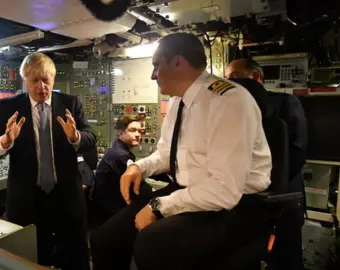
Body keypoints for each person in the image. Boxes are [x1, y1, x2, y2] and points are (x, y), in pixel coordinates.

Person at [90, 32, 272, 270]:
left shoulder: (228, 101)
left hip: (235, 205)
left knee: (152, 245)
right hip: (189, 191)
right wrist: (139, 167)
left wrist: (159, 207)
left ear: (178, 62)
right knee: (104, 239)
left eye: (156, 65)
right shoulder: (178, 101)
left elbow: (224, 191)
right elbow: (167, 154)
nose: (152, 75)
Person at [0, 52, 96, 269]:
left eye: (46, 80)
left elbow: (90, 139)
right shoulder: (9, 107)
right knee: (31, 258)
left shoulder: (70, 103)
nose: (41, 86)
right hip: (27, 199)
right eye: (35, 80)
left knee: (75, 256)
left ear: (53, 79)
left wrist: (75, 137)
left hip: (66, 198)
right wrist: (5, 141)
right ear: (25, 79)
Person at [226, 58, 308, 270]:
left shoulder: (284, 102)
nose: (230, 83)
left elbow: (296, 151)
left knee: (285, 257)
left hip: (283, 198)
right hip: (246, 201)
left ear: (255, 77)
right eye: (227, 79)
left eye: (234, 77)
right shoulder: (231, 110)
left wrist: (271, 184)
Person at [92, 114, 143, 225]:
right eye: (133, 130)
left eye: (140, 131)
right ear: (121, 133)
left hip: (107, 210)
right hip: (110, 214)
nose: (138, 134)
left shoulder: (119, 149)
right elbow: (138, 188)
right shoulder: (120, 155)